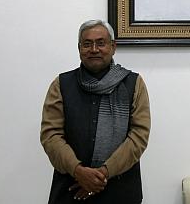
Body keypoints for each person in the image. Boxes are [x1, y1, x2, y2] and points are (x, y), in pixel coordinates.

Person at [41, 20, 151, 203]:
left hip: (120, 191)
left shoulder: (133, 84)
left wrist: (102, 173)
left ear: (113, 47)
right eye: (87, 44)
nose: (94, 49)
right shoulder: (61, 84)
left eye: (101, 43)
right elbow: (50, 135)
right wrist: (78, 171)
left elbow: (139, 136)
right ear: (79, 48)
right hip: (71, 189)